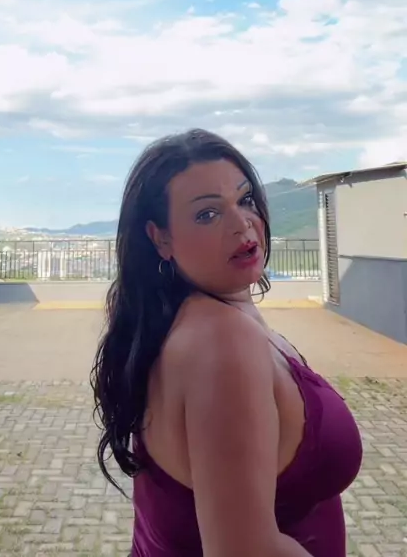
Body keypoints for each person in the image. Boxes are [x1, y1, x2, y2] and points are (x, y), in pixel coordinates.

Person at [91, 129, 363, 557]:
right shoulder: (222, 342)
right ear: (161, 237)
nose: (242, 224)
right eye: (207, 214)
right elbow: (245, 549)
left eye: (245, 199)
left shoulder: (190, 317)